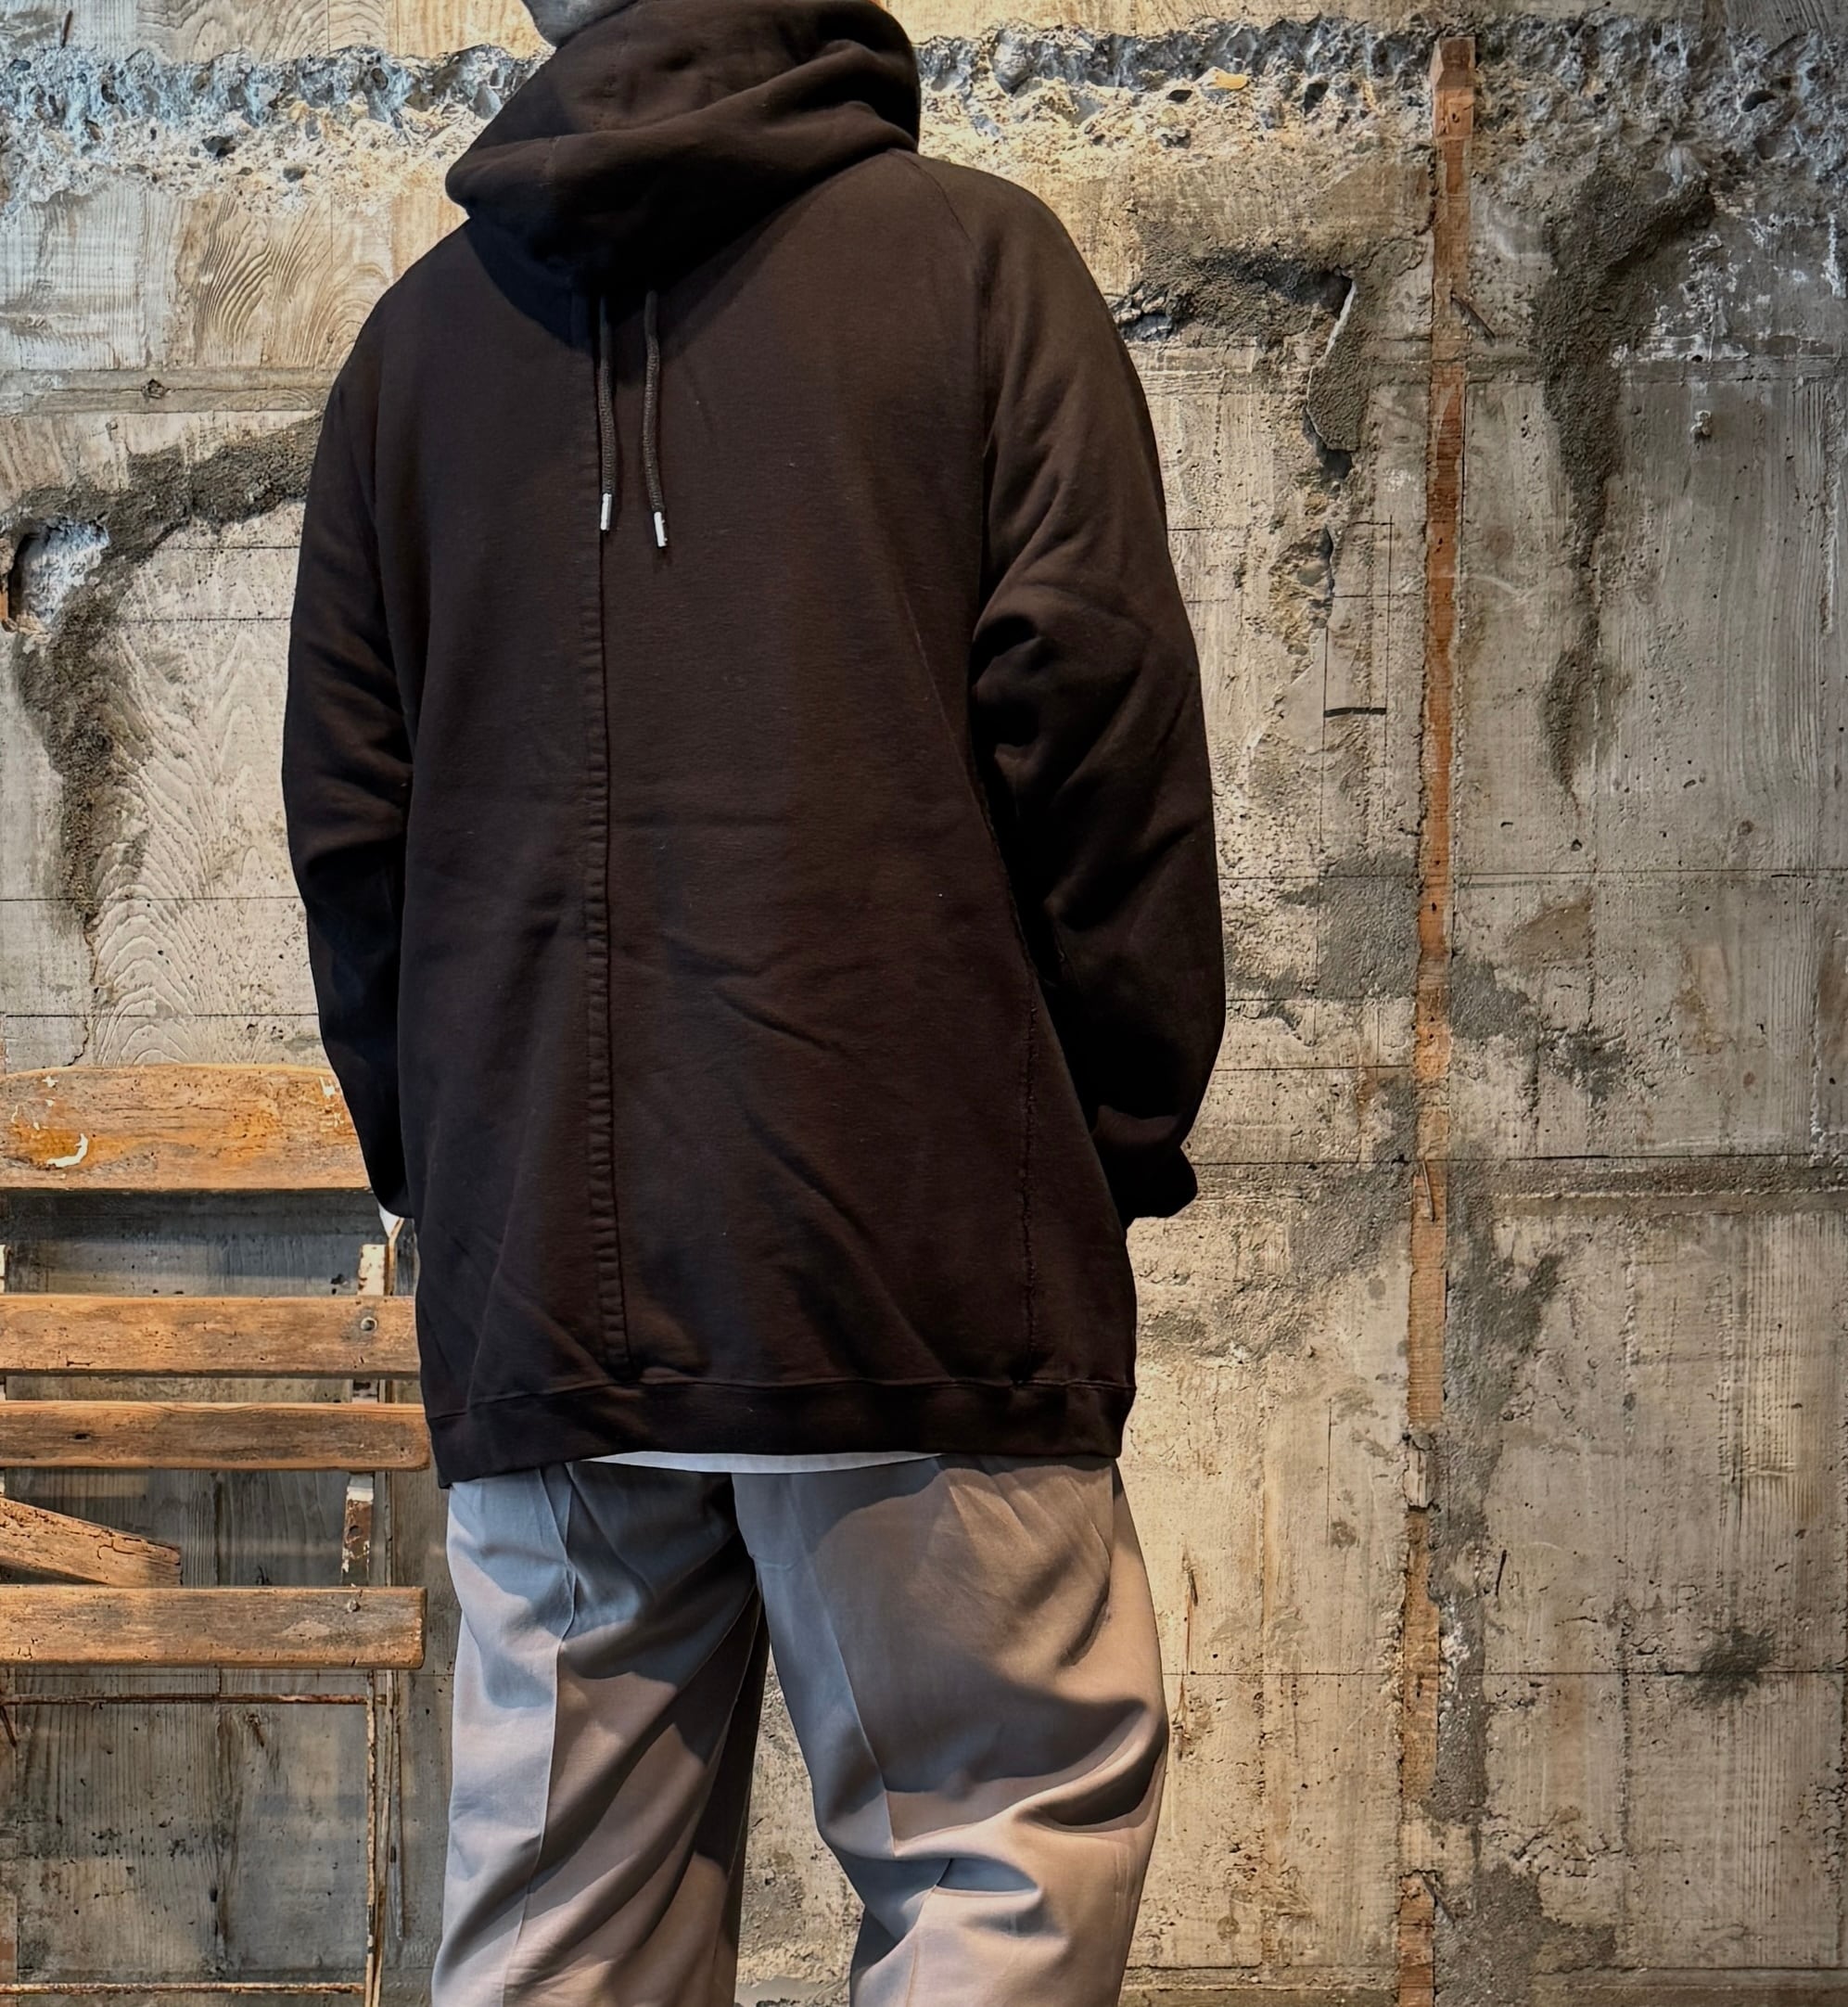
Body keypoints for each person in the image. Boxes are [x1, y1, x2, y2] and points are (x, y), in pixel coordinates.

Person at [281, 0, 1225, 1995]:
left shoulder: (413, 354)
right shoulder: (980, 270)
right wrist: (1108, 1144)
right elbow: (1105, 740)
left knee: (561, 1925)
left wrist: (458, 1183)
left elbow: (354, 838)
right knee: (999, 1842)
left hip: (544, 1285)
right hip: (915, 1252)